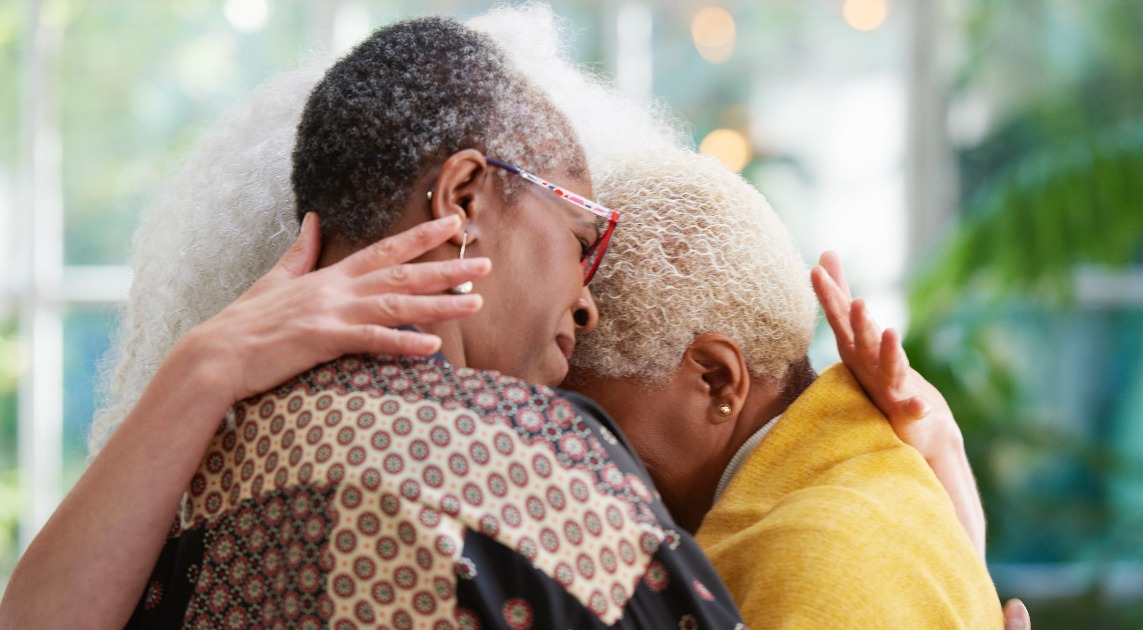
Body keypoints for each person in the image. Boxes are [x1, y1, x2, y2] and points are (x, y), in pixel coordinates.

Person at [2, 17, 744, 629]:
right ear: (462, 200)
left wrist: (204, 368)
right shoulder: (545, 461)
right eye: (583, 239)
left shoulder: (184, 485)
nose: (587, 299)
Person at [561, 146, 1002, 628]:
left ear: (717, 379)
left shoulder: (810, 559)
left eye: (596, 421)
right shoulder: (867, 478)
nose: (579, 457)